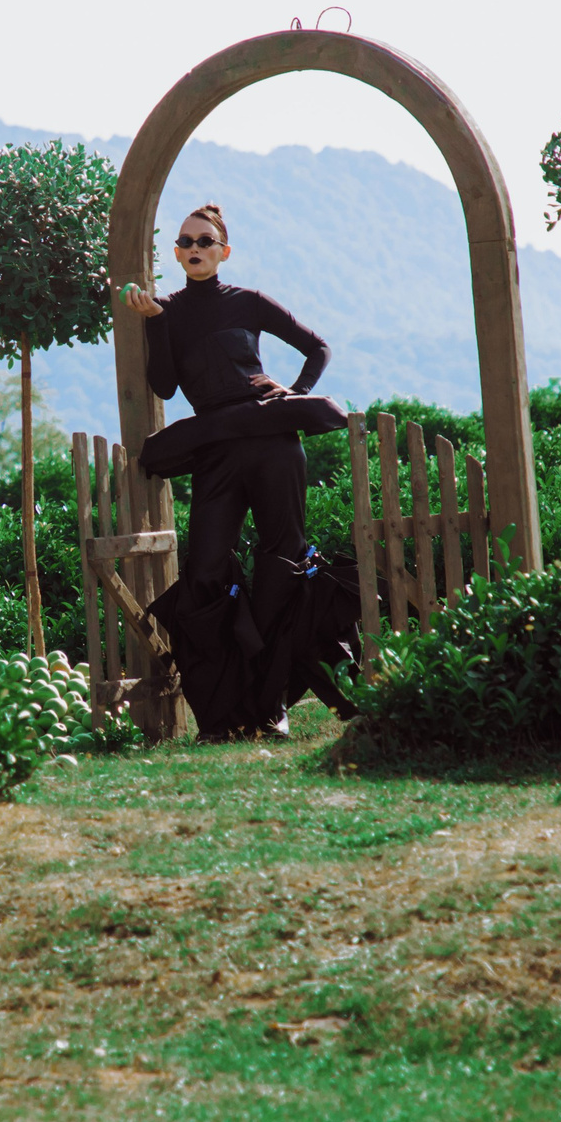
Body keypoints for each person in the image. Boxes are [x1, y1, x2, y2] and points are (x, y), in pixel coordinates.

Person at [126, 204, 348, 737]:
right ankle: (222, 714)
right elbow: (164, 387)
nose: (194, 248)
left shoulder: (249, 301)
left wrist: (293, 392)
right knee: (204, 569)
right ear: (176, 253)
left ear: (223, 251)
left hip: (273, 442)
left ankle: (272, 705)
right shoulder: (166, 310)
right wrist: (156, 324)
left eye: (204, 241)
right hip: (216, 450)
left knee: (283, 563)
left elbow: (318, 347)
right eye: (185, 242)